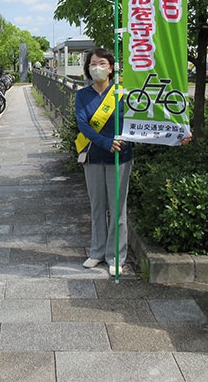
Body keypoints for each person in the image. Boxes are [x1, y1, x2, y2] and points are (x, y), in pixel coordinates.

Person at [75, 48, 132, 275]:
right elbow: (83, 125)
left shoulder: (122, 93)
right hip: (94, 156)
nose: (96, 67)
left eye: (101, 63)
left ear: (111, 67)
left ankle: (116, 256)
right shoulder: (83, 95)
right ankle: (97, 252)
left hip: (121, 158)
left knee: (118, 209)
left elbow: (139, 119)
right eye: (92, 64)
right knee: (97, 207)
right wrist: (105, 142)